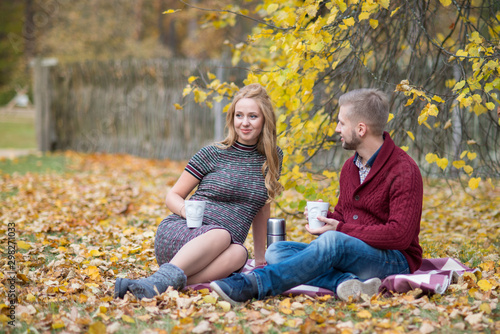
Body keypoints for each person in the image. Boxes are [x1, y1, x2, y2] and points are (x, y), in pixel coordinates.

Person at [210, 88, 423, 304]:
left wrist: (338, 229)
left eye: (341, 123)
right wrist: (327, 219)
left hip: (394, 259)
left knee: (332, 241)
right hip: (352, 252)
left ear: (361, 129)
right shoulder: (351, 167)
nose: (337, 129)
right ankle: (347, 283)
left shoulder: (403, 169)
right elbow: (345, 218)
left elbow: (400, 235)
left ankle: (253, 285)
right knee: (277, 251)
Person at [115, 84, 283, 299]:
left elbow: (262, 207)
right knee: (222, 234)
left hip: (220, 251)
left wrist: (260, 259)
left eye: (253, 116)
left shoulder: (273, 158)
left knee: (240, 253)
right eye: (239, 115)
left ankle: (155, 285)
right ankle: (159, 280)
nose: (244, 122)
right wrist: (187, 212)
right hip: (184, 235)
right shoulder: (213, 153)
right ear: (232, 118)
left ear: (265, 120)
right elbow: (172, 196)